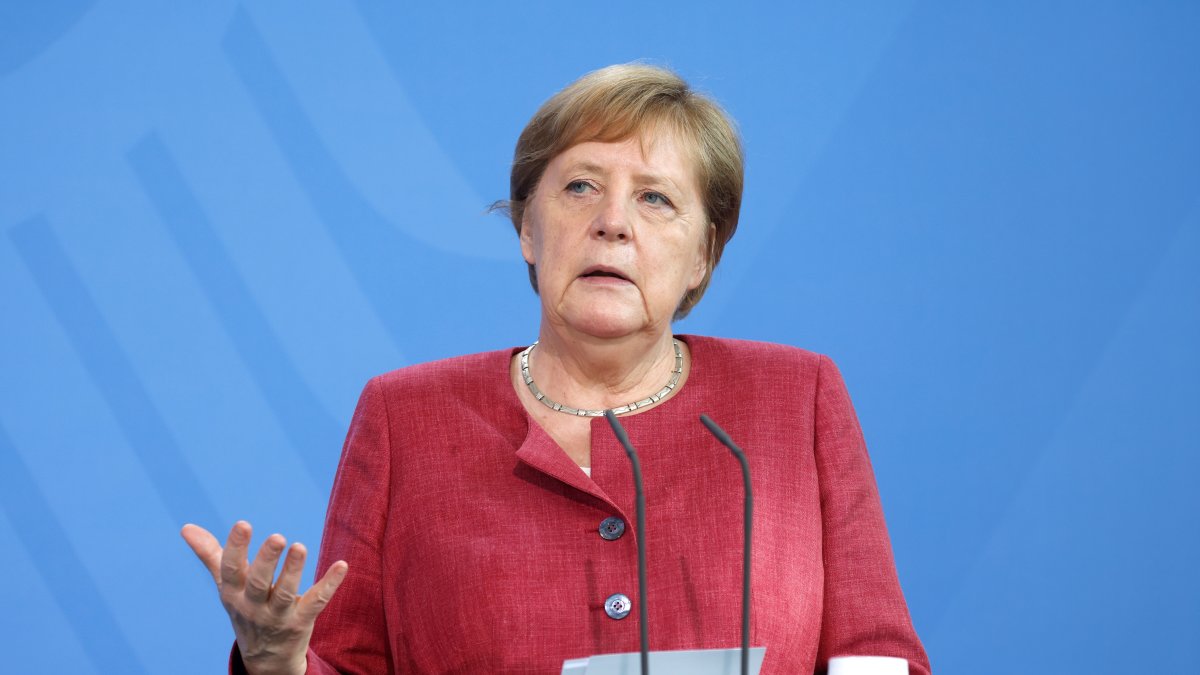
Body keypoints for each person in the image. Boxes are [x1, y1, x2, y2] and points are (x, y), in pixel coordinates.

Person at [182, 63, 931, 675]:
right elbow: (348, 666)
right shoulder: (404, 417)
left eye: (656, 198)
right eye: (580, 187)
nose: (613, 221)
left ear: (703, 253)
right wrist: (280, 662)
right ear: (528, 232)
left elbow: (875, 656)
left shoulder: (794, 400)